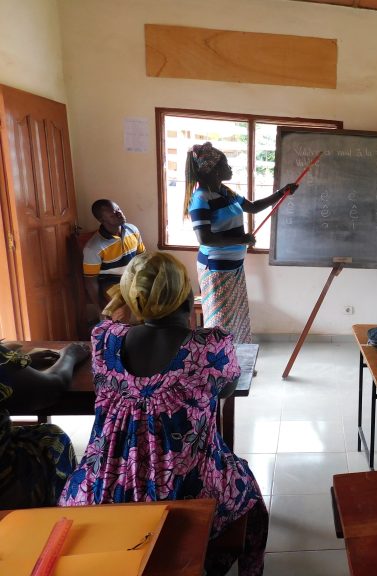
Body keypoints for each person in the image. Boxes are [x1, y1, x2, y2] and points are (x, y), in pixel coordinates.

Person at [59, 251, 268, 576]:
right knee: (251, 496)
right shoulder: (210, 346)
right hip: (186, 496)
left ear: (130, 296)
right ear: (187, 296)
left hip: (104, 494)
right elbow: (226, 389)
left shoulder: (104, 339)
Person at [184, 142, 298, 343]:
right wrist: (241, 239)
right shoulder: (201, 198)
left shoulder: (225, 192)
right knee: (220, 320)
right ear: (214, 170)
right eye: (226, 164)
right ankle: (218, 364)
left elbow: (253, 207)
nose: (230, 168)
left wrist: (282, 192)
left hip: (234, 267)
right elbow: (205, 238)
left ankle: (237, 358)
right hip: (216, 269)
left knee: (236, 316)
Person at [0, 341, 89, 508]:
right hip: (6, 489)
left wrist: (19, 364)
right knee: (53, 438)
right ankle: (60, 516)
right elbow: (51, 388)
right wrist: (70, 354)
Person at [82, 199, 145, 322]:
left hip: (133, 279)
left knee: (160, 292)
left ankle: (148, 333)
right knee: (122, 306)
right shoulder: (94, 247)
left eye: (118, 210)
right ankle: (120, 333)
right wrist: (98, 308)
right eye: (112, 214)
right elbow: (90, 281)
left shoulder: (132, 230)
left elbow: (142, 259)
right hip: (111, 284)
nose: (119, 214)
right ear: (102, 220)